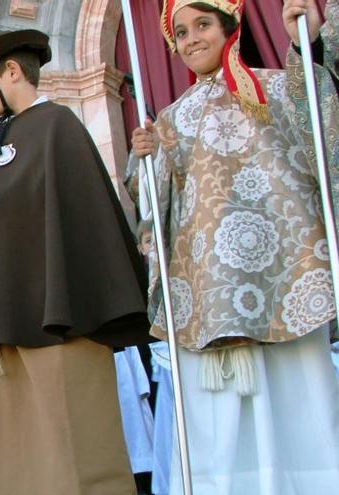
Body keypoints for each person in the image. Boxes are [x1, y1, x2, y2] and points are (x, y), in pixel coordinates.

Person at [130, 1, 339, 491]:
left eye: (202, 25)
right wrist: (146, 160)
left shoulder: (281, 88)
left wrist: (304, 44)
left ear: (230, 27)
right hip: (210, 292)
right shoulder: (170, 119)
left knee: (299, 399)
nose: (190, 40)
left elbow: (321, 123)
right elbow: (158, 214)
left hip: (284, 278)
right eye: (180, 33)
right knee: (218, 420)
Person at [0, 29, 151, 494]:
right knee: (12, 440)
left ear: (10, 72)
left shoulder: (58, 126)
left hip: (63, 312)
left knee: (76, 433)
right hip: (9, 308)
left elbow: (86, 217)